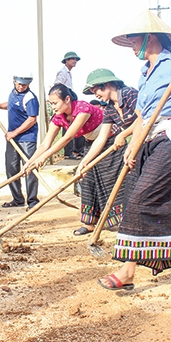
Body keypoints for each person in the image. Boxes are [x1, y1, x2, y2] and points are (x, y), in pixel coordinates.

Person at [96, 10, 171, 294]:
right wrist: (133, 147)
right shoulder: (144, 74)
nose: (130, 46)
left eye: (133, 40)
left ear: (149, 38)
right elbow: (141, 116)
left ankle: (127, 270)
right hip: (149, 140)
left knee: (139, 200)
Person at [24, 84, 109, 234]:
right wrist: (30, 162)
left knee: (109, 180)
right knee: (87, 180)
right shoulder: (58, 117)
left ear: (67, 99)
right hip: (91, 144)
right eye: (50, 103)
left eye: (55, 103)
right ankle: (89, 223)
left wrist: (45, 157)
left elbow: (68, 137)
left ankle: (118, 222)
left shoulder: (82, 109)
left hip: (109, 141)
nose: (53, 107)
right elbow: (45, 143)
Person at [70, 68, 139, 235]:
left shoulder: (130, 94)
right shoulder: (109, 108)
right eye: (93, 92)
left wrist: (123, 134)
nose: (96, 95)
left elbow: (145, 120)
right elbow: (101, 138)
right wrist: (84, 162)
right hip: (134, 143)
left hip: (151, 141)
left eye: (97, 90)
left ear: (108, 84)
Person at [0, 75, 40, 211]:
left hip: (27, 138)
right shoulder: (13, 93)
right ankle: (17, 198)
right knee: (11, 168)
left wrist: (14, 133)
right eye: (20, 84)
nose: (22, 86)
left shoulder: (30, 98)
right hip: (12, 138)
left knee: (29, 169)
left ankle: (32, 201)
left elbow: (32, 120)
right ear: (14, 81)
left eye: (25, 85)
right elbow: (11, 105)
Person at [54, 51, 85, 160]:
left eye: (75, 59)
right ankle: (68, 152)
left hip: (68, 100)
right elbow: (58, 86)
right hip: (64, 102)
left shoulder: (68, 73)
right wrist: (67, 94)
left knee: (74, 125)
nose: (74, 61)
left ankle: (76, 150)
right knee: (67, 126)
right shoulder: (62, 72)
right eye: (72, 59)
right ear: (66, 60)